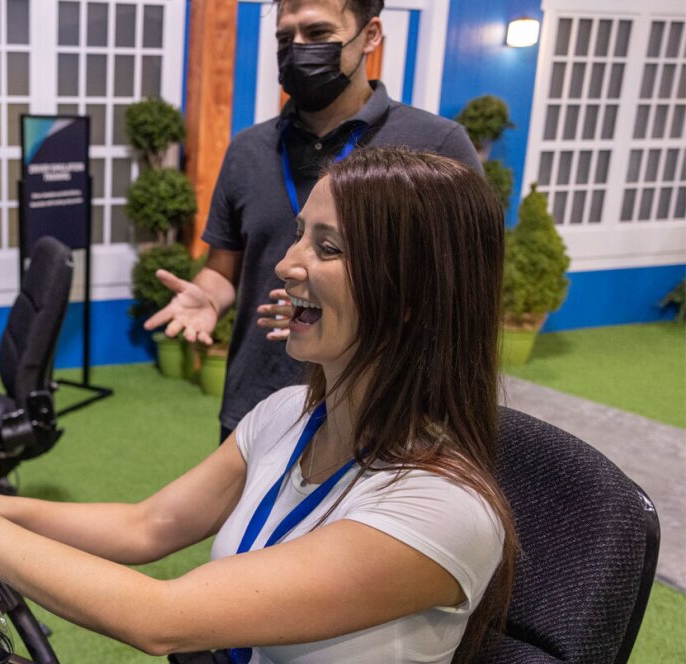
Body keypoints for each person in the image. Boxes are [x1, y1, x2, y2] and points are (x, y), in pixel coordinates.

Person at [0, 148, 516, 664]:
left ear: (410, 294)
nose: (286, 263)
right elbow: (147, 525)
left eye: (328, 248)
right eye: (299, 235)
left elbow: (161, 616)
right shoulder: (287, 414)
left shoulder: (439, 509)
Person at [143, 0, 481, 441]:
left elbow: (461, 296)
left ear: (371, 35)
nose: (298, 49)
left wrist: (340, 311)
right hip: (255, 404)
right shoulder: (247, 150)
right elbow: (223, 268)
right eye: (287, 38)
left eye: (318, 34)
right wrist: (208, 298)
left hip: (385, 413)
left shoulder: (436, 146)